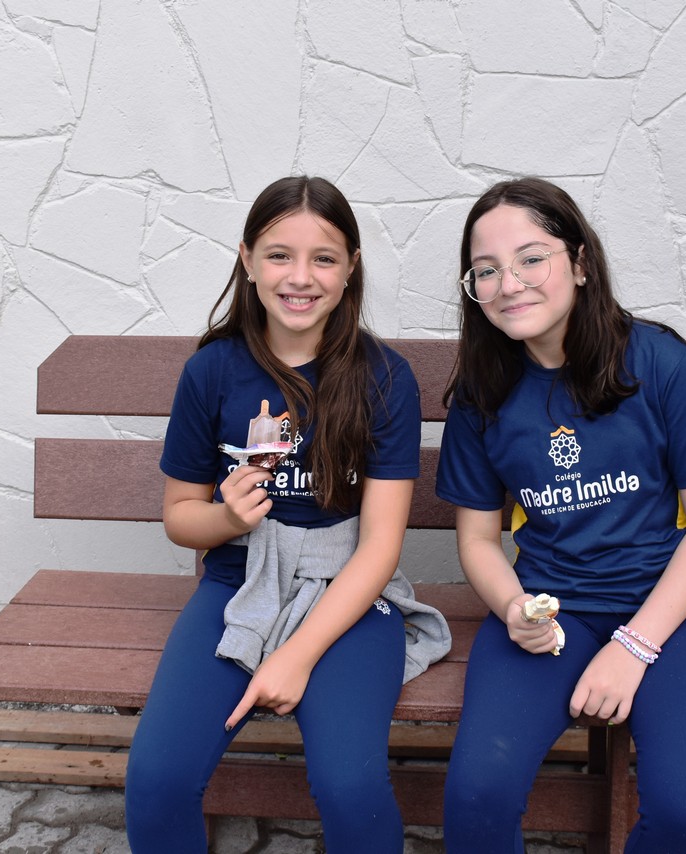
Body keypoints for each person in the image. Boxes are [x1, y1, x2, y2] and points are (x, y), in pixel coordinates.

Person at [125, 175, 449, 853]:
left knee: (350, 786)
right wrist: (227, 519)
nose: (300, 277)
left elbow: (380, 547)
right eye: (279, 255)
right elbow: (180, 516)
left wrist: (295, 658)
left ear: (350, 267)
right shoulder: (212, 370)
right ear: (247, 260)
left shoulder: (385, 377)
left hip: (350, 594)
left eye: (323, 258)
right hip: (238, 585)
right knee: (157, 781)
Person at [436, 178, 686, 853]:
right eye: (486, 270)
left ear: (580, 263)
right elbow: (478, 539)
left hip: (672, 609)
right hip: (554, 610)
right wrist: (514, 607)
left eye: (531, 258)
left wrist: (633, 648)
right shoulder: (483, 395)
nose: (509, 284)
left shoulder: (660, 363)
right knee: (476, 796)